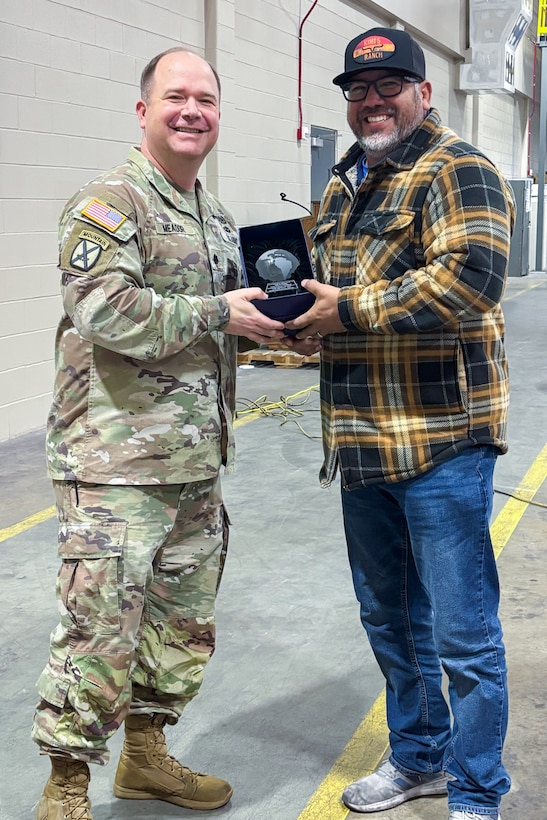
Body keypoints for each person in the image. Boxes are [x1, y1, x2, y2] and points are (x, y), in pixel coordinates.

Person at [32, 47, 286, 820]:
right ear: (144, 111)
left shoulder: (213, 216)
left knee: (180, 626)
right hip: (115, 464)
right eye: (176, 97)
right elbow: (105, 313)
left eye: (205, 100)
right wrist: (220, 313)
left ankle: (144, 759)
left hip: (193, 464)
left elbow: (211, 331)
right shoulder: (111, 203)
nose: (192, 111)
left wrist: (275, 333)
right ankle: (65, 790)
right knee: (99, 629)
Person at [285, 26, 514, 820]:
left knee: (461, 631)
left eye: (388, 85)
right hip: (361, 441)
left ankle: (478, 786)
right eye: (357, 89)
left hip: (442, 441)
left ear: (424, 91)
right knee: (391, 619)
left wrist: (342, 312)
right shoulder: (346, 182)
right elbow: (332, 297)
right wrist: (295, 324)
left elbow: (469, 282)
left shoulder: (460, 168)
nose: (371, 100)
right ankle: (418, 757)